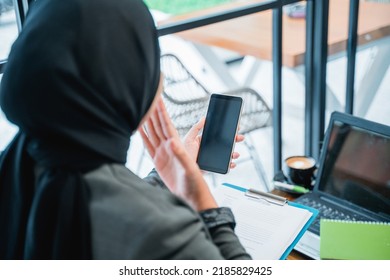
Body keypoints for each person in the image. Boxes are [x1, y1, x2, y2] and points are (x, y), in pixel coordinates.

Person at [0, 0, 251, 259]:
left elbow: (107, 205)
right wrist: (202, 200)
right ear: (125, 82)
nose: (159, 77)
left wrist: (167, 177)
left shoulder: (16, 166)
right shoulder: (163, 235)